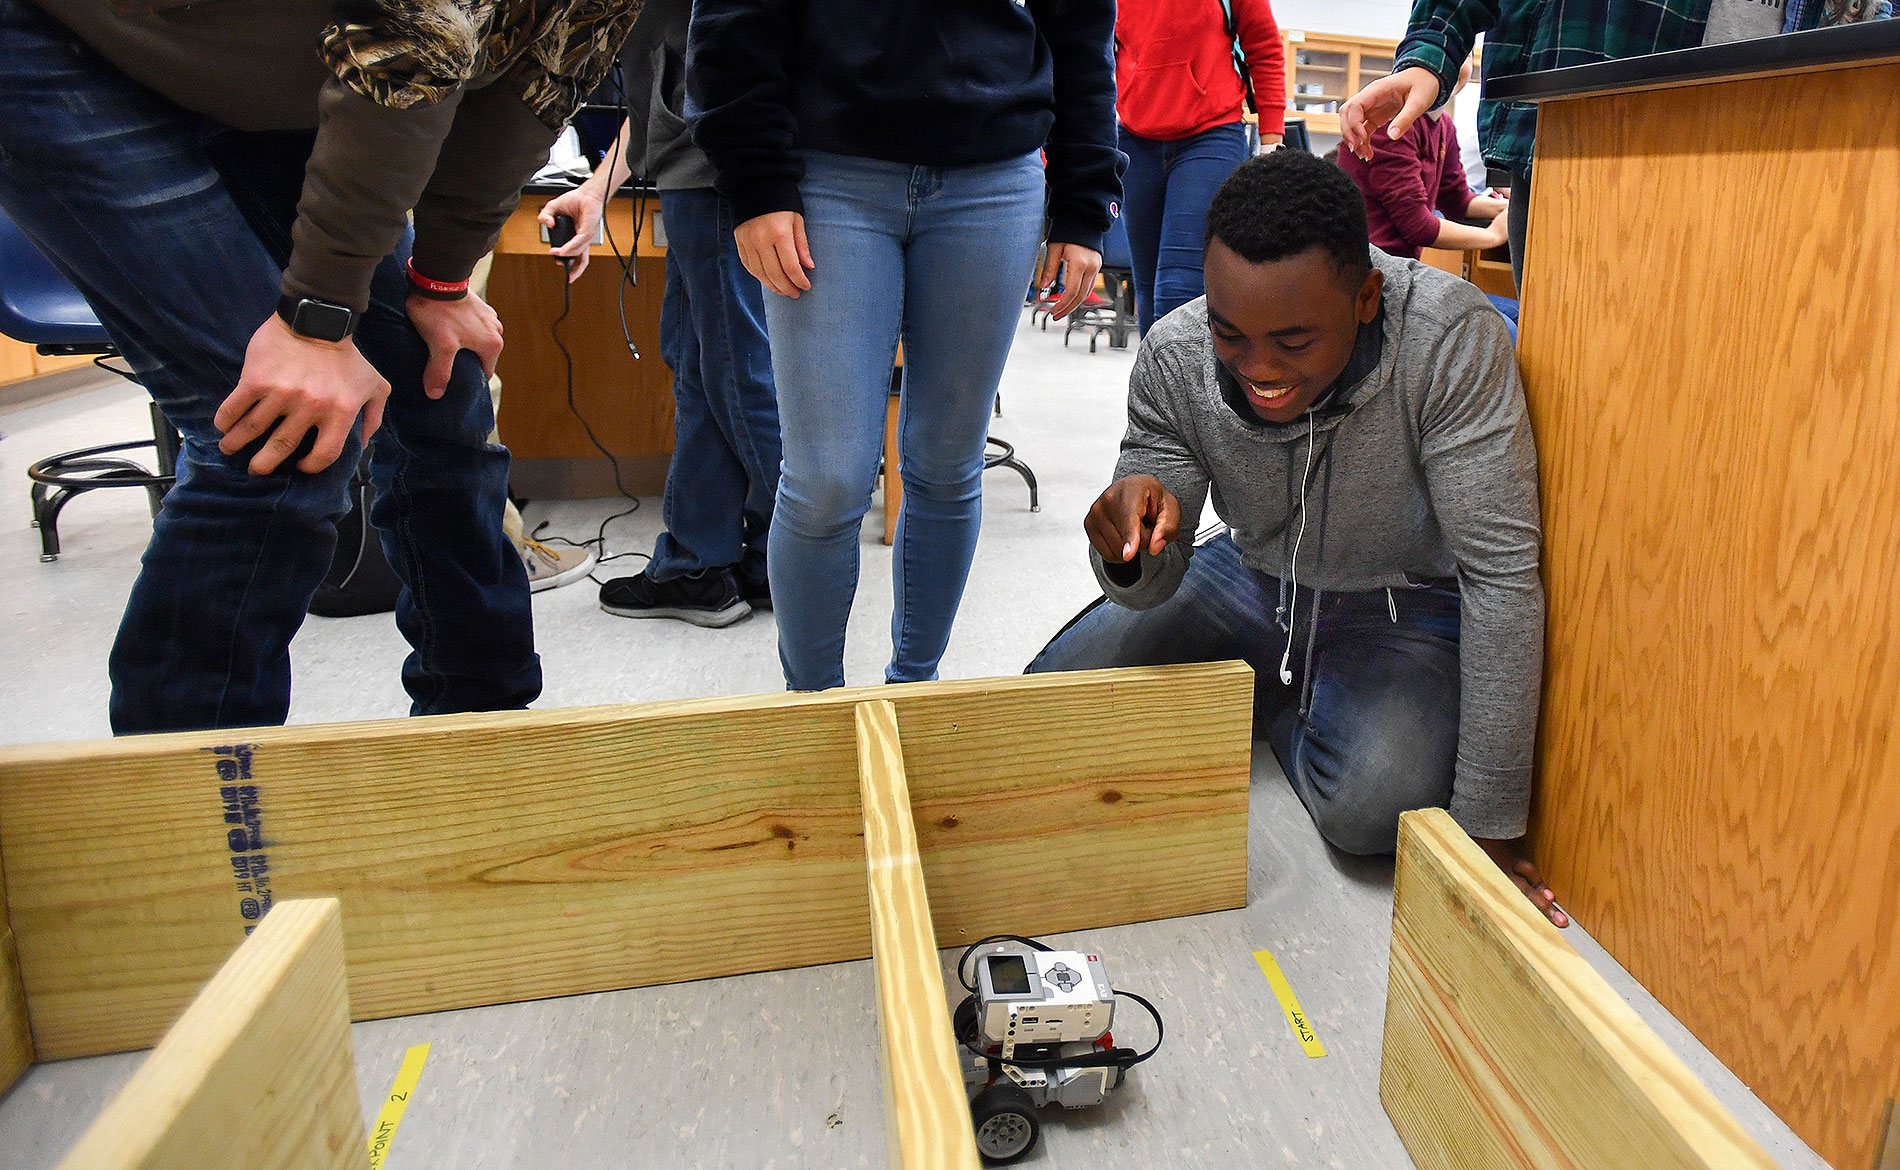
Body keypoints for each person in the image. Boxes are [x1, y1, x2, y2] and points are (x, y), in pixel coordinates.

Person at [0, 0, 642, 733]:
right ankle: (203, 807)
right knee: (273, 433)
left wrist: (440, 279)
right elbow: (415, 48)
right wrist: (317, 319)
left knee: (444, 380)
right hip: (70, 43)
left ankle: (481, 733)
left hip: (275, 75)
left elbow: (539, 83)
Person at [1027, 152, 1564, 926]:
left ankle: (1272, 700)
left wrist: (1485, 828)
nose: (1259, 369)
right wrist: (1125, 550)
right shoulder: (1178, 353)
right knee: (1044, 707)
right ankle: (1277, 686)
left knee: (1373, 811)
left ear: (1367, 297)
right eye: (1230, 333)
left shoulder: (1451, 340)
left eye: (1293, 340)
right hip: (1251, 575)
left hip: (1402, 605)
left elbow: (1501, 577)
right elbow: (1153, 567)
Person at [688, 0, 1123, 691]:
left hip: (993, 174)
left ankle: (915, 691)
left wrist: (1084, 198)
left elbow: (1081, 27)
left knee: (948, 464)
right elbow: (732, 14)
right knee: (827, 478)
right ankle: (813, 713)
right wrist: (754, 179)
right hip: (828, 172)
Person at [543, 0, 781, 628]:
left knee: (739, 373)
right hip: (695, 161)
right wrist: (598, 189)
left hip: (722, 165)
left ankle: (798, 549)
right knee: (702, 372)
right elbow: (660, 88)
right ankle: (702, 565)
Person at [1342, 0, 1788, 291]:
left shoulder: (1443, 132)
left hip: (1765, 148)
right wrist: (1430, 52)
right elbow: (1419, 224)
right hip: (1575, 151)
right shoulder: (1398, 128)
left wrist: (1493, 214)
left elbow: (1455, 197)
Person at [1114, 0, 1287, 335]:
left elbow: (1263, 48)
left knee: (1179, 291)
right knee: (1147, 288)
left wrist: (1271, 141)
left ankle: (1187, 385)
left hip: (1209, 135)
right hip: (1136, 138)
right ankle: (1157, 386)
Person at [1336, 56, 1510, 261]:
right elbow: (1416, 225)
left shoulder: (1444, 124)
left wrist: (1509, 208)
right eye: (1441, 53)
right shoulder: (1393, 123)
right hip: (1364, 262)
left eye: (1464, 55)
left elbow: (1457, 200)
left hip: (1397, 262)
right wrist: (1492, 235)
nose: (1452, 64)